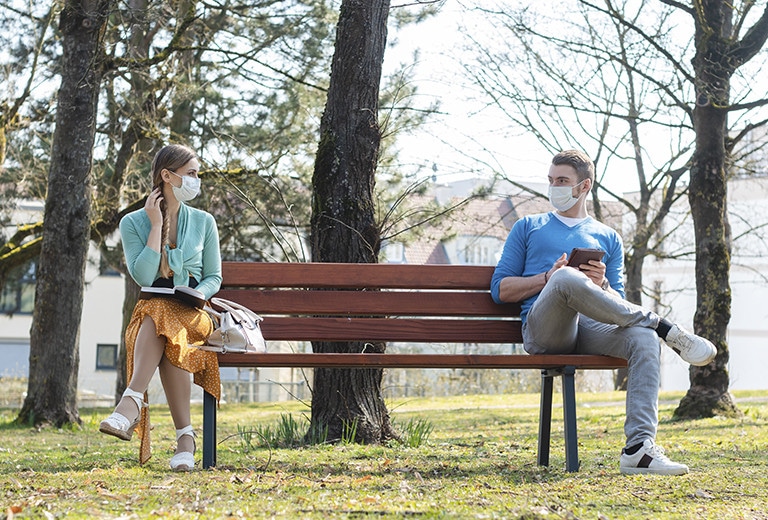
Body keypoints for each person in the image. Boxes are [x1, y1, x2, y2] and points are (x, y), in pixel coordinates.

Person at [491, 149, 716, 476]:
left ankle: (639, 450)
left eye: (563, 181)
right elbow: (499, 290)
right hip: (545, 332)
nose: (554, 186)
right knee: (568, 277)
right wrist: (547, 279)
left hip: (591, 330)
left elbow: (618, 306)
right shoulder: (528, 226)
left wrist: (604, 286)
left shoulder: (608, 237)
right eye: (551, 180)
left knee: (642, 338)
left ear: (584, 186)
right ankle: (663, 326)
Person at [100, 144, 222, 471]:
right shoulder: (132, 223)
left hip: (194, 313)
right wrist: (156, 226)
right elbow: (141, 275)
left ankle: (129, 403)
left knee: (161, 320)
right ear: (167, 176)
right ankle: (186, 439)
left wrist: (198, 294)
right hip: (155, 313)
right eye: (192, 174)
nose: (197, 181)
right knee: (161, 322)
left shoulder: (205, 221)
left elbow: (214, 277)